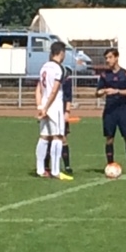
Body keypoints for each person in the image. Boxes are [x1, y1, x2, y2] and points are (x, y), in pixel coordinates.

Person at [35, 41, 73, 181]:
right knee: (57, 137)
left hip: (44, 104)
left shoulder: (44, 67)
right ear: (61, 53)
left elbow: (38, 89)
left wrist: (40, 107)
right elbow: (54, 90)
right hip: (54, 106)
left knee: (44, 137)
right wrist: (46, 107)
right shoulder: (59, 69)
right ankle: (56, 171)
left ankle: (40, 170)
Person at [96, 48, 126, 174]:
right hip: (109, 111)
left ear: (116, 57)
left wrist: (117, 91)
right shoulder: (104, 75)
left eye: (110, 57)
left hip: (123, 110)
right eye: (106, 58)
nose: (108, 60)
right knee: (109, 138)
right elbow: (97, 92)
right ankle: (110, 164)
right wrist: (102, 91)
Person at [44, 67, 74, 175]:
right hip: (50, 109)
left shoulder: (67, 82)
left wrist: (67, 111)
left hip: (61, 110)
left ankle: (67, 166)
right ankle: (46, 166)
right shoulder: (50, 81)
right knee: (48, 138)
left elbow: (68, 97)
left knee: (63, 138)